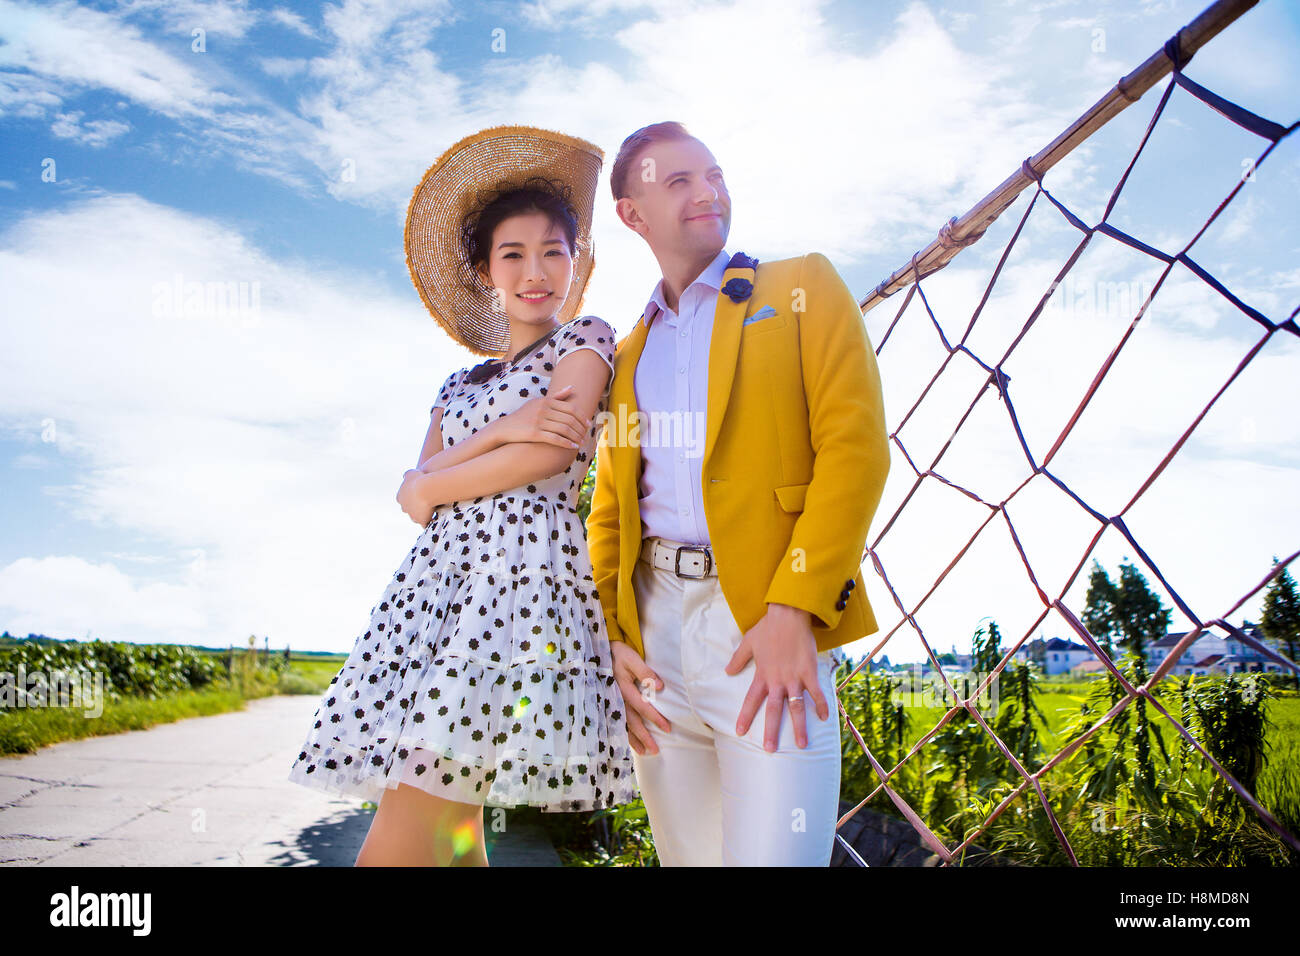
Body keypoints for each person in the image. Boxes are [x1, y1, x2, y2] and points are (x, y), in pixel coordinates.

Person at [288, 125, 638, 866]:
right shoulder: (456, 385)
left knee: (405, 833)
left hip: (515, 594)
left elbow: (551, 451)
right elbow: (414, 498)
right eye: (512, 254)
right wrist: (496, 433)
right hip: (432, 599)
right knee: (452, 834)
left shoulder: (588, 340)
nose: (535, 270)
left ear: (576, 265)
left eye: (553, 251)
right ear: (485, 272)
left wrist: (459, 465)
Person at [586, 121, 891, 866]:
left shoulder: (803, 287)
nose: (707, 191)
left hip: (764, 629)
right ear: (632, 214)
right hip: (654, 645)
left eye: (714, 175)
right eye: (679, 181)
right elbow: (610, 511)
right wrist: (613, 639)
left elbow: (855, 451)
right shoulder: (624, 356)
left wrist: (794, 606)